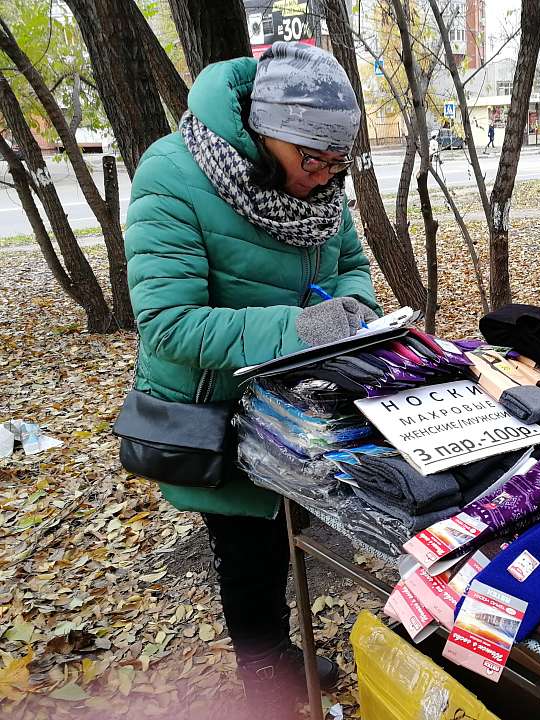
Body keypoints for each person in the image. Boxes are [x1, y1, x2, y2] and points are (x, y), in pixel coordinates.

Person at [123, 42, 381, 717]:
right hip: (219, 411)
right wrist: (300, 329)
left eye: (337, 164)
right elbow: (170, 325)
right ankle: (264, 673)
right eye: (311, 161)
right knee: (248, 550)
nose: (324, 179)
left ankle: (280, 653)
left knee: (290, 529)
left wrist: (356, 309)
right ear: (265, 132)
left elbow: (352, 258)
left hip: (299, 401)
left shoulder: (321, 179)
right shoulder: (173, 174)